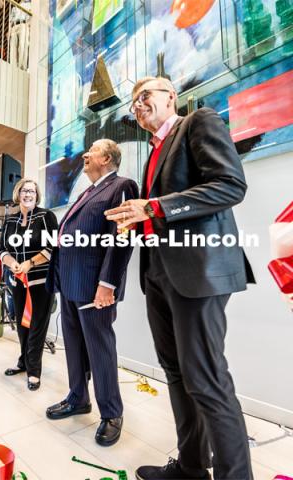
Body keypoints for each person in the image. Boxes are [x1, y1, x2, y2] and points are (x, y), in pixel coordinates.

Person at [105, 76, 255, 480]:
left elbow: (229, 185)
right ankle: (191, 468)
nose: (138, 106)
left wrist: (153, 207)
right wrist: (136, 221)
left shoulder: (199, 122)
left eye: (145, 96)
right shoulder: (153, 152)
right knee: (176, 374)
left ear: (171, 96)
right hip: (158, 274)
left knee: (206, 380)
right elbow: (163, 213)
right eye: (133, 103)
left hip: (197, 272)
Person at [45, 139, 139, 446]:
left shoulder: (122, 186)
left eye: (93, 151)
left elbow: (122, 238)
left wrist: (107, 283)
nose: (85, 155)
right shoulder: (86, 191)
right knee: (73, 345)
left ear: (108, 158)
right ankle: (77, 398)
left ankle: (111, 413)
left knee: (100, 349)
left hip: (95, 287)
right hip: (71, 284)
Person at [0, 178, 58, 391]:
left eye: (32, 191)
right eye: (25, 190)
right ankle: (23, 362)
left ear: (37, 195)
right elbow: (2, 249)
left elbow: (53, 247)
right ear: (18, 193)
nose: (28, 194)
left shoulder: (46, 216)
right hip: (17, 281)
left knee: (36, 326)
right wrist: (13, 263)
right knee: (21, 324)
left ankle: (34, 371)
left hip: (41, 282)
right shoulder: (10, 221)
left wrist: (29, 263)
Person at [8, 0, 31, 70]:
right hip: (14, 26)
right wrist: (9, 30)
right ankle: (13, 66)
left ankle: (22, 67)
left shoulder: (30, 4)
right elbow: (10, 20)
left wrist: (28, 26)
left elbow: (30, 18)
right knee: (13, 46)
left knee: (22, 45)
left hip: (24, 24)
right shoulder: (15, 6)